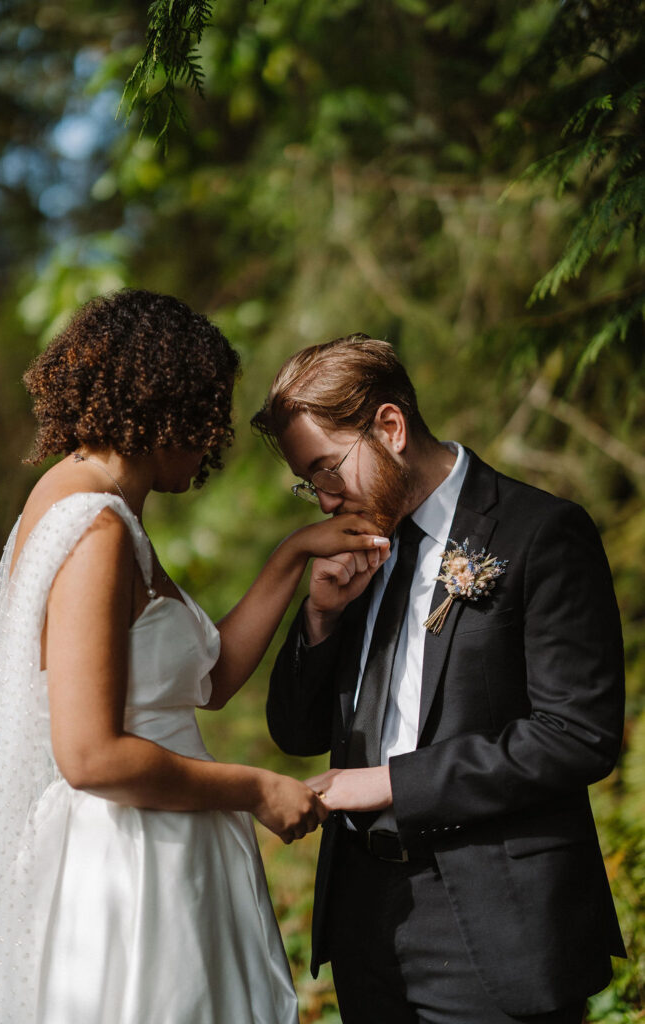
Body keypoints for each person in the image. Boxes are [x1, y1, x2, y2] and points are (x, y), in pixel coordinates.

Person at [0, 292, 390, 1024]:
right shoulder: (94, 527)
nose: (214, 437)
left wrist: (290, 559)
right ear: (168, 405)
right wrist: (254, 788)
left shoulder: (95, 500)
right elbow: (90, 755)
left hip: (159, 841)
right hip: (127, 865)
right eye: (210, 412)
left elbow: (210, 679)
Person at [251, 333, 626, 1024]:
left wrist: (393, 782)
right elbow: (295, 730)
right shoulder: (356, 552)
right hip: (366, 924)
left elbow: (576, 735)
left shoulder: (539, 533)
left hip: (496, 928)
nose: (325, 500)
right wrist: (319, 620)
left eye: (329, 469)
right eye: (312, 482)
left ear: (389, 427)